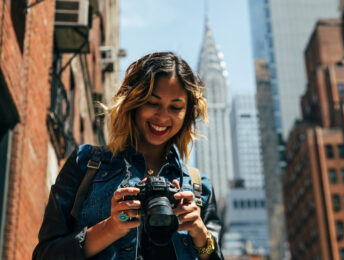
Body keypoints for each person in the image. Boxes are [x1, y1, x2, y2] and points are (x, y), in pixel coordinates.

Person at [33, 52, 224, 260]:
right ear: (133, 101)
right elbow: (45, 255)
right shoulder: (86, 162)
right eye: (152, 102)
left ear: (186, 114)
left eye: (175, 107)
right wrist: (110, 228)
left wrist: (201, 236)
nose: (162, 116)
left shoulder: (199, 187)